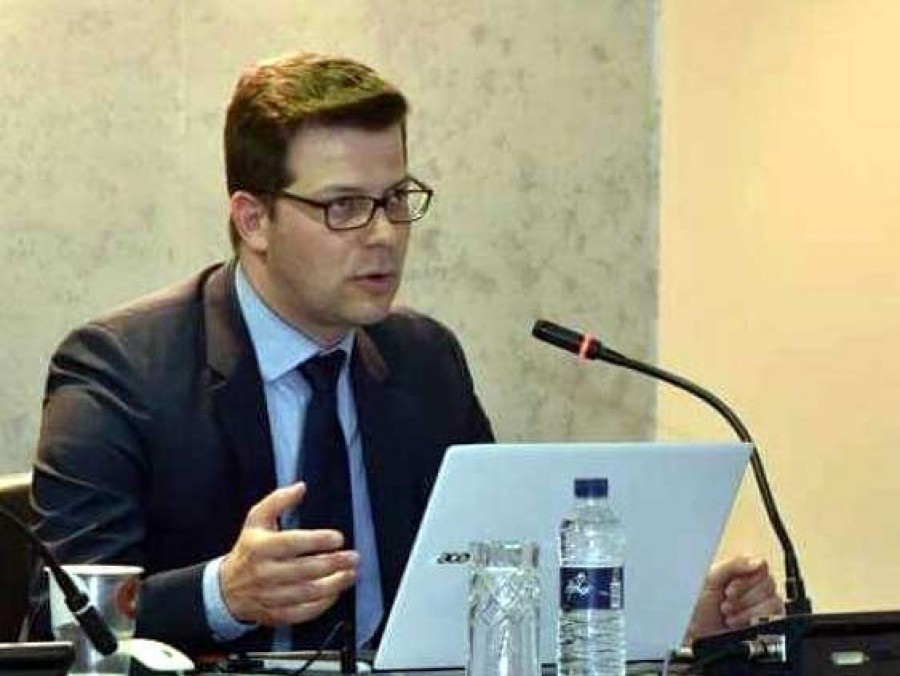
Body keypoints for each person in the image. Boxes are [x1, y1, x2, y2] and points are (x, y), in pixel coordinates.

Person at [28, 51, 782, 656]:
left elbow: (494, 571)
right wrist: (224, 595)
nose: (385, 234)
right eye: (344, 207)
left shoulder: (425, 359)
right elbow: (59, 619)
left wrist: (666, 614)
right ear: (252, 219)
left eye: (395, 199)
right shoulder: (122, 369)